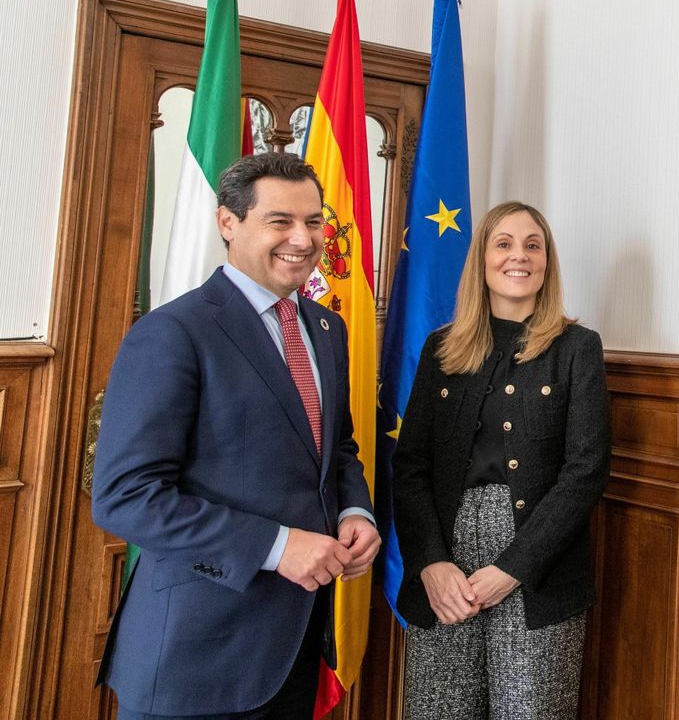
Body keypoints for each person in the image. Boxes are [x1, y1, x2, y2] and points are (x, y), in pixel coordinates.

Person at [92, 152, 380, 720]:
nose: (303, 238)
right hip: (198, 656)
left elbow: (335, 447)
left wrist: (356, 513)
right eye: (281, 221)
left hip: (294, 648)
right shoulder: (173, 332)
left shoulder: (326, 328)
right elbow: (125, 498)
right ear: (229, 222)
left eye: (314, 221)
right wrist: (277, 547)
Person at [394, 202, 610, 720]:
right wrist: (429, 562)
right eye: (505, 243)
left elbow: (586, 469)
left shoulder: (577, 348)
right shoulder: (441, 349)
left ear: (547, 262)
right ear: (483, 260)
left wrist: (512, 569)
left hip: (538, 566)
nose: (520, 256)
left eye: (533, 245)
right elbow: (410, 467)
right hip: (445, 561)